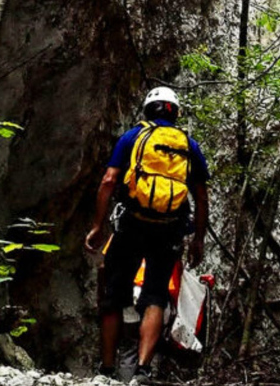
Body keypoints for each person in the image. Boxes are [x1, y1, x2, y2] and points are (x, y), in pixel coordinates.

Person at [85, 86, 210, 383]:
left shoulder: (133, 137)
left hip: (132, 224)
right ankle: (142, 369)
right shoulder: (189, 146)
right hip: (169, 229)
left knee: (114, 295)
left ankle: (106, 370)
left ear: (147, 110)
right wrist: (198, 239)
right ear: (175, 112)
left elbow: (109, 180)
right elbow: (202, 198)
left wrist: (98, 225)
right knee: (155, 295)